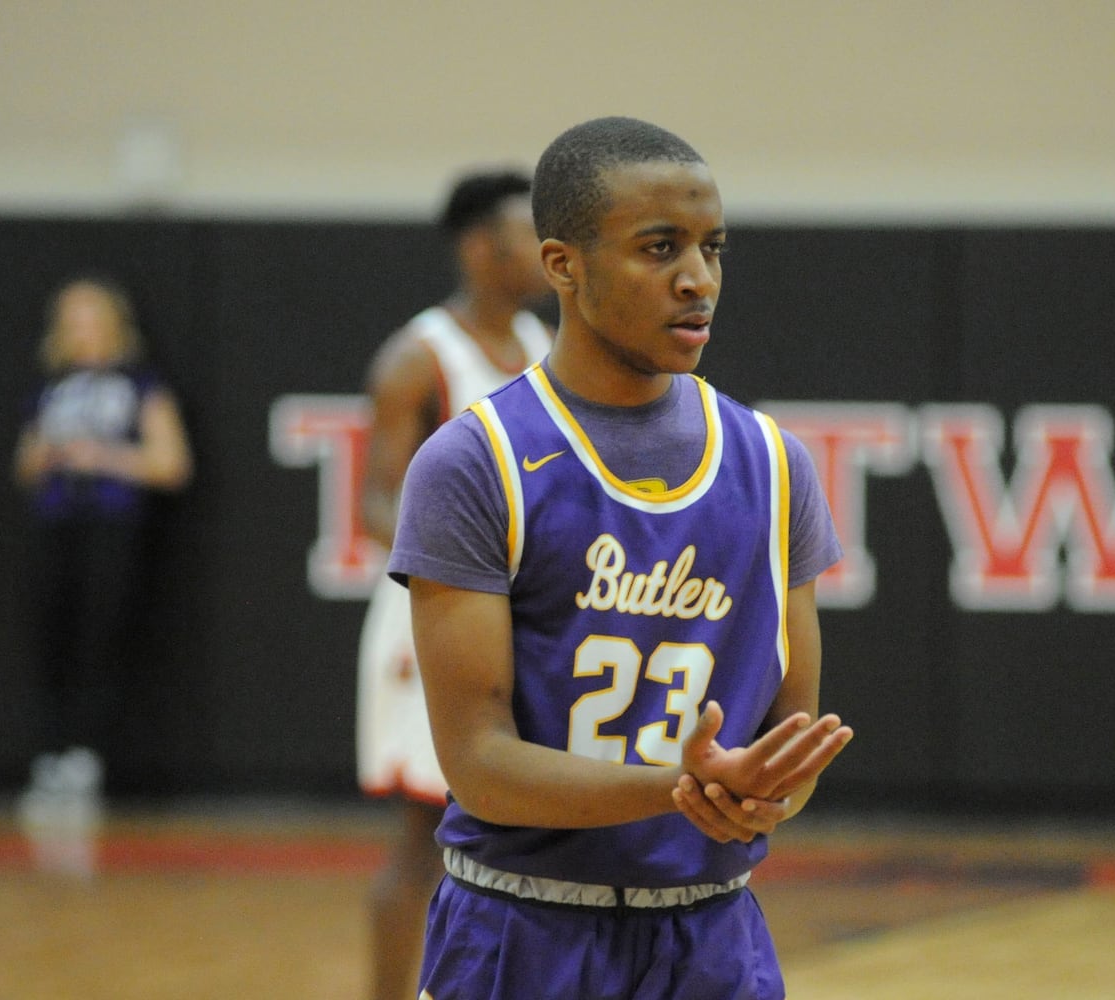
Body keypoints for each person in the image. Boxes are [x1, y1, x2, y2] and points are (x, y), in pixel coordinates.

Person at [388, 116, 854, 999]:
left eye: (713, 248)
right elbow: (479, 764)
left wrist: (762, 794)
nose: (698, 279)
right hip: (520, 931)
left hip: (713, 935)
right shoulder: (474, 462)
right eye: (659, 248)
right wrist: (682, 787)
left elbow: (787, 748)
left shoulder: (773, 463)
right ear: (563, 264)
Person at [354, 169, 553, 999]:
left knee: (513, 833)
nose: (546, 253)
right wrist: (475, 557)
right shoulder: (418, 356)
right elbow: (373, 505)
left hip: (516, 615)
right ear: (480, 249)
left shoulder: (545, 347)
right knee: (423, 838)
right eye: (523, 237)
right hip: (427, 615)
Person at [13, 277, 193, 844]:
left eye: (92, 318)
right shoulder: (53, 387)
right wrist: (46, 456)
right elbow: (24, 465)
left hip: (112, 529)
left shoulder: (141, 384)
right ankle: (50, 754)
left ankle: (87, 758)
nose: (82, 331)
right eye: (72, 320)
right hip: (56, 526)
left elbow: (171, 463)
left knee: (101, 636)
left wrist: (104, 457)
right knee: (50, 637)